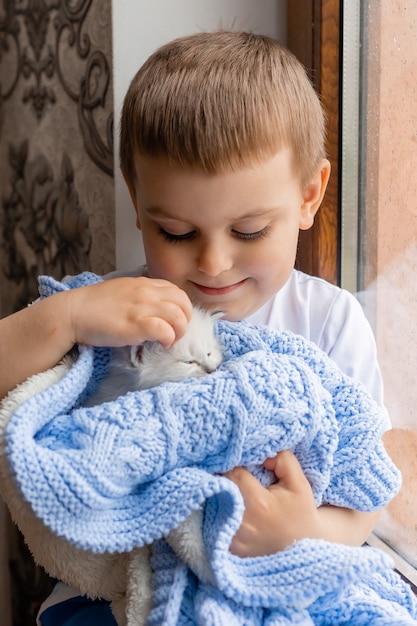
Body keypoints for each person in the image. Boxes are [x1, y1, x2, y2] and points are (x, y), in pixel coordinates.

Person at [0, 30, 389, 625]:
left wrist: (303, 528)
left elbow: (364, 490)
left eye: (251, 230)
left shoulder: (329, 322)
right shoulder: (116, 307)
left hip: (270, 576)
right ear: (137, 199)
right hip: (113, 591)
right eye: (177, 233)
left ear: (310, 197)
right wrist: (68, 317)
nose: (212, 263)